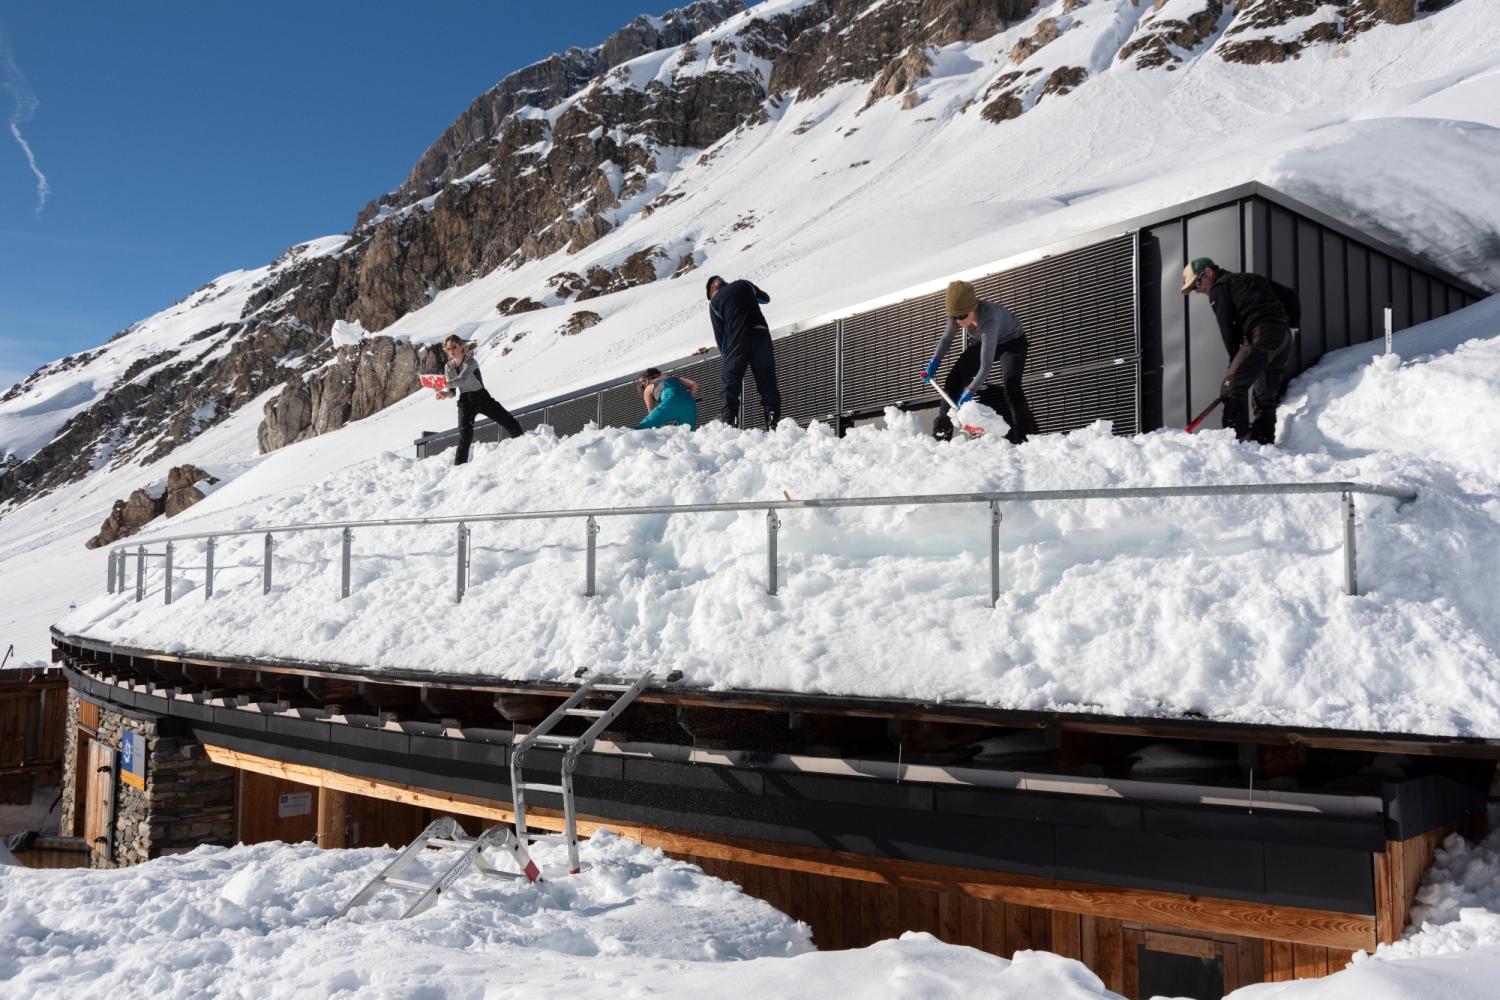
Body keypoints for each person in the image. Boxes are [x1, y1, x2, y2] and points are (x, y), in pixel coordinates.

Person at [1181, 257, 1295, 445]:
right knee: (1264, 396)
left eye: (1197, 284)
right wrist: (1293, 324)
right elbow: (1290, 295)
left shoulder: (1219, 288)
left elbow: (1228, 329)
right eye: (1193, 288)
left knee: (1231, 386)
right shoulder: (1252, 278)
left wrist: (1234, 362)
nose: (1198, 290)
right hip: (1283, 337)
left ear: (1209, 272)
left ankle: (1236, 443)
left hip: (1261, 334)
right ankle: (1263, 442)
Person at [922, 280, 1036, 444]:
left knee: (1012, 385)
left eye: (962, 316)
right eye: (955, 317)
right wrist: (934, 362)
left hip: (1011, 342)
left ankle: (1025, 439)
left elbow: (985, 365)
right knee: (954, 379)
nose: (959, 321)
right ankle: (941, 435)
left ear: (973, 308)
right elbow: (946, 339)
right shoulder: (957, 316)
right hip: (982, 341)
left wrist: (969, 392)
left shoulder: (989, 319)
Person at [435, 334, 523, 465]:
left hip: (481, 397)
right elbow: (452, 392)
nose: (451, 351)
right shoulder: (448, 366)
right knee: (465, 436)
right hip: (465, 402)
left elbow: (461, 380)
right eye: (448, 349)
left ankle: (524, 449)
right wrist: (444, 394)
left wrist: (443, 383)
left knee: (509, 421)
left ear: (461, 346)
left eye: (454, 347)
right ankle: (458, 469)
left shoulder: (470, 362)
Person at [706, 275, 781, 427]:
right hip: (761, 335)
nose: (711, 298)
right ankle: (773, 418)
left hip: (737, 341)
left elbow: (720, 336)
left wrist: (727, 362)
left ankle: (730, 421)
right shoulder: (744, 284)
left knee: (730, 383)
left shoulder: (714, 303)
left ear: (714, 287)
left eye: (710, 295)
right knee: (767, 380)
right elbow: (765, 299)